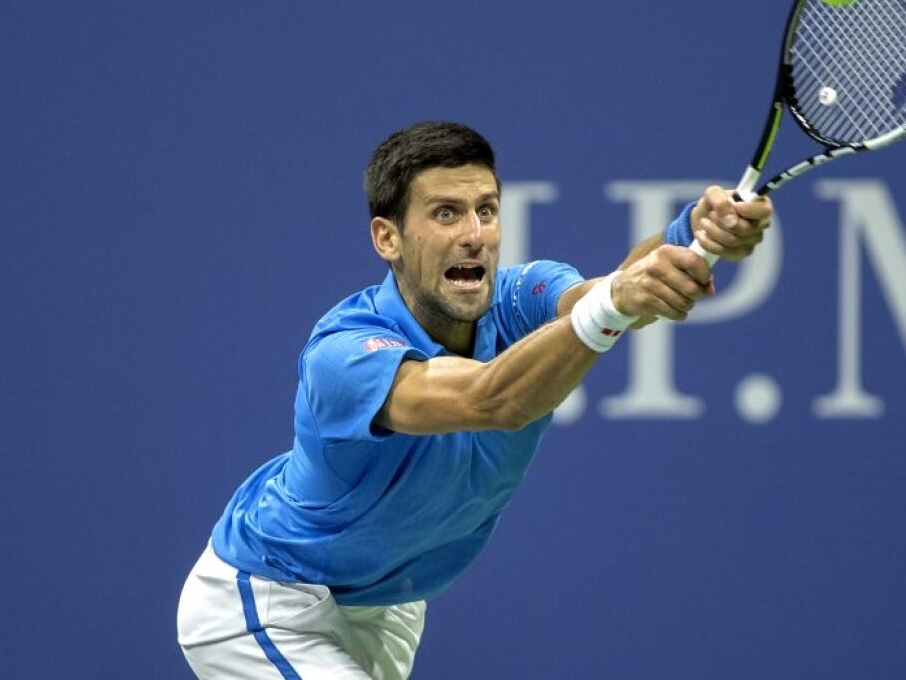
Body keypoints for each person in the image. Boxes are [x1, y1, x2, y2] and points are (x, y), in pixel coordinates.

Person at [177, 121, 773, 679]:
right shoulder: (345, 354)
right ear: (387, 238)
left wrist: (695, 235)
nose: (474, 234)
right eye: (445, 213)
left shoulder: (521, 296)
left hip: (390, 606)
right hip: (268, 597)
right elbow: (491, 398)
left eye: (486, 210)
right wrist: (617, 303)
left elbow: (607, 291)